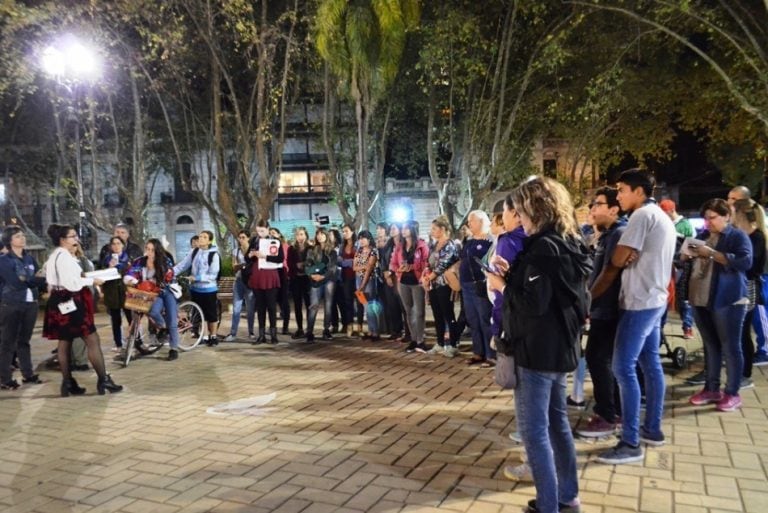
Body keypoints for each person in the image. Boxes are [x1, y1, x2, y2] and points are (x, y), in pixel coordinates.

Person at [488, 176, 590, 513]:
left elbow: (533, 305)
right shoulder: (566, 242)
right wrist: (513, 271)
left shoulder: (545, 247)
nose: (518, 216)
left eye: (520, 209)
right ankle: (567, 496)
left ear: (536, 209)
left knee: (534, 433)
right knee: (557, 424)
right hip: (559, 347)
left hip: (537, 350)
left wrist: (502, 285)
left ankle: (549, 505)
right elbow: (548, 291)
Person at [591, 169, 676, 464]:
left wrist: (621, 258)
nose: (620, 195)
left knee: (622, 367)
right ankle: (652, 429)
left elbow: (618, 257)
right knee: (649, 364)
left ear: (639, 191)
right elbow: (623, 256)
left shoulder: (642, 216)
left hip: (639, 302)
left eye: (623, 189)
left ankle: (630, 442)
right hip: (655, 299)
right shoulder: (661, 217)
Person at [686, 198, 752, 412]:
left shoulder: (737, 236)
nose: (708, 222)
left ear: (726, 216)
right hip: (700, 298)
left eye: (712, 217)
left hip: (727, 299)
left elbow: (745, 262)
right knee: (710, 345)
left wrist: (713, 254)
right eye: (705, 218)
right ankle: (711, 388)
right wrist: (687, 255)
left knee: (731, 346)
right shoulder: (704, 236)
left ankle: (732, 392)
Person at [42, 224, 122, 397]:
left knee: (65, 342)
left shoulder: (54, 256)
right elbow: (71, 283)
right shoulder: (64, 257)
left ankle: (68, 383)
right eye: (72, 236)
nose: (76, 239)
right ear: (63, 239)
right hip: (71, 300)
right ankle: (103, 380)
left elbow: (53, 281)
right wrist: (91, 282)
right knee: (92, 339)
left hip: (59, 300)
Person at [577, 187, 627, 438]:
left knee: (600, 360)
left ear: (613, 209)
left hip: (608, 310)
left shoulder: (619, 233)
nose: (592, 210)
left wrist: (587, 301)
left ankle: (608, 415)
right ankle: (612, 411)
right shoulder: (608, 235)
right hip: (600, 308)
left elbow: (609, 274)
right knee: (600, 360)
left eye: (597, 204)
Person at [0, 226, 46, 389]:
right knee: (7, 342)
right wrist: (34, 280)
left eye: (22, 235)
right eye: (18, 236)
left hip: (30, 303)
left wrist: (31, 280)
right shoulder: (4, 261)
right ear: (9, 240)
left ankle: (28, 374)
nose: (22, 238)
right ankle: (5, 378)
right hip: (11, 303)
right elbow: (16, 283)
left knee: (24, 341)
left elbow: (41, 278)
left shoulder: (29, 259)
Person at [125, 239, 182, 361]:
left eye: (152, 250)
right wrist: (131, 280)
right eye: (148, 249)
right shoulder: (140, 261)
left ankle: (174, 349)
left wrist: (157, 281)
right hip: (151, 293)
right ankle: (163, 328)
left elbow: (170, 276)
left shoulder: (164, 261)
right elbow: (130, 274)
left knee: (172, 318)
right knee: (152, 311)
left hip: (167, 291)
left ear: (157, 251)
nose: (149, 252)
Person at [732, 199, 767, 388]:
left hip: (748, 287)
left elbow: (750, 265)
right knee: (738, 332)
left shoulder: (757, 237)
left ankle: (746, 374)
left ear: (741, 214)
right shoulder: (744, 235)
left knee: (743, 332)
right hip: (739, 286)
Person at [460, 210, 495, 367]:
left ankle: (491, 354)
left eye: (471, 220)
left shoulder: (490, 241)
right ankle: (478, 352)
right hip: (466, 285)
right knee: (473, 319)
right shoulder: (469, 241)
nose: (469, 224)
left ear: (481, 221)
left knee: (484, 319)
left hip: (480, 285)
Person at [422, 216, 461, 357]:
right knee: (437, 314)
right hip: (433, 285)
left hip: (445, 284)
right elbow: (428, 262)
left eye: (434, 228)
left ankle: (453, 343)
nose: (432, 231)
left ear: (443, 229)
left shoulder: (449, 245)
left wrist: (429, 277)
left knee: (448, 313)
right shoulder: (434, 245)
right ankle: (440, 342)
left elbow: (443, 265)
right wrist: (426, 277)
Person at [173, 230, 221, 346]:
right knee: (199, 314)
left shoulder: (213, 254)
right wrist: (171, 272)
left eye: (204, 237)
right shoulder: (194, 252)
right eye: (200, 236)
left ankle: (213, 336)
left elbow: (213, 274)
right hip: (195, 289)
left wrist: (198, 277)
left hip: (209, 289)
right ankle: (203, 336)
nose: (201, 239)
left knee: (211, 314)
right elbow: (184, 264)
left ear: (209, 240)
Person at [391, 220, 429, 352]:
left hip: (417, 281)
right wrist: (399, 269)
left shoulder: (421, 245)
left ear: (412, 230)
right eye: (403, 228)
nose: (403, 230)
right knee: (409, 311)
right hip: (403, 281)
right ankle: (413, 339)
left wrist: (412, 266)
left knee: (419, 311)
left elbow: (425, 263)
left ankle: (421, 340)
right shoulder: (400, 247)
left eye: (406, 228)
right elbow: (393, 263)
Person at [659, 199, 696, 339]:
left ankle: (687, 327)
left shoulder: (686, 225)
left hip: (682, 267)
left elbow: (693, 246)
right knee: (664, 297)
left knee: (683, 298)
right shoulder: (663, 224)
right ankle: (660, 329)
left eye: (665, 213)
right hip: (665, 265)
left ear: (671, 211)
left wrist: (683, 259)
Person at [246, 220, 284, 344]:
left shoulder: (275, 241)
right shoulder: (254, 240)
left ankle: (273, 334)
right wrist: (251, 255)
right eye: (258, 231)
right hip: (257, 275)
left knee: (271, 306)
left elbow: (280, 258)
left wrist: (265, 256)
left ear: (268, 229)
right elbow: (247, 257)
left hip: (270, 274)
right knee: (260, 307)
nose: (260, 233)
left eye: (262, 230)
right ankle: (261, 335)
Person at [305, 228, 339, 342]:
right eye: (317, 234)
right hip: (315, 280)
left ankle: (326, 330)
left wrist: (323, 276)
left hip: (328, 280)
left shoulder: (332, 251)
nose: (319, 236)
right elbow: (308, 264)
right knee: (313, 305)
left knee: (328, 305)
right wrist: (312, 275)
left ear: (326, 236)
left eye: (322, 234)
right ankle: (309, 331)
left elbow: (332, 268)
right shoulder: (312, 250)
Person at [100, 236, 133, 352]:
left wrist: (125, 266)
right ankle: (118, 343)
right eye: (113, 244)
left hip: (126, 292)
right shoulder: (106, 260)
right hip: (112, 293)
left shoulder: (128, 258)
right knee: (115, 320)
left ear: (123, 245)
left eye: (118, 243)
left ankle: (137, 341)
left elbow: (133, 273)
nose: (116, 246)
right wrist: (110, 267)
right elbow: (102, 276)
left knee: (131, 318)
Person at [224, 230, 256, 341]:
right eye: (239, 237)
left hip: (250, 282)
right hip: (238, 281)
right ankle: (233, 333)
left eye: (243, 237)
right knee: (236, 308)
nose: (241, 240)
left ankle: (251, 332)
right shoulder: (235, 251)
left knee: (250, 309)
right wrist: (243, 265)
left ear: (248, 238)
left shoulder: (252, 251)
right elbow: (234, 267)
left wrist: (241, 265)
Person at [353, 230, 380, 341]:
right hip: (358, 279)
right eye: (360, 238)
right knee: (364, 306)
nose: (362, 241)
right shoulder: (359, 250)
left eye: (364, 238)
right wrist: (364, 266)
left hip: (369, 280)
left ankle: (375, 332)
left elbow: (369, 268)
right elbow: (354, 267)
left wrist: (363, 284)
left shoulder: (373, 251)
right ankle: (370, 330)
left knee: (370, 306)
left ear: (369, 239)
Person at [288, 227, 311, 339]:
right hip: (296, 279)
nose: (300, 237)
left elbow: (313, 262)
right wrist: (296, 265)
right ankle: (300, 328)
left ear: (306, 235)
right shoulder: (291, 248)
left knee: (309, 304)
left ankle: (309, 329)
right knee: (297, 305)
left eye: (302, 234)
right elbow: (289, 262)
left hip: (307, 279)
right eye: (297, 235)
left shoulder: (311, 248)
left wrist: (305, 265)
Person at [270, 227, 292, 335]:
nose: (272, 235)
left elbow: (287, 261)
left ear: (279, 234)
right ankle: (272, 327)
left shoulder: (285, 246)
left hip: (283, 274)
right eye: (270, 234)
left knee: (284, 302)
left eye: (274, 233)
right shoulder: (268, 246)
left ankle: (285, 327)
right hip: (272, 274)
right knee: (272, 301)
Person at [339, 225, 358, 336]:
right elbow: (339, 261)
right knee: (348, 301)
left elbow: (359, 259)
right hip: (346, 277)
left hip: (358, 277)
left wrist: (347, 262)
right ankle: (349, 325)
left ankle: (360, 326)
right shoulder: (342, 246)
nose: (344, 233)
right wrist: (349, 262)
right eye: (343, 231)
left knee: (361, 301)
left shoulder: (358, 244)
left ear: (352, 231)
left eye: (346, 231)